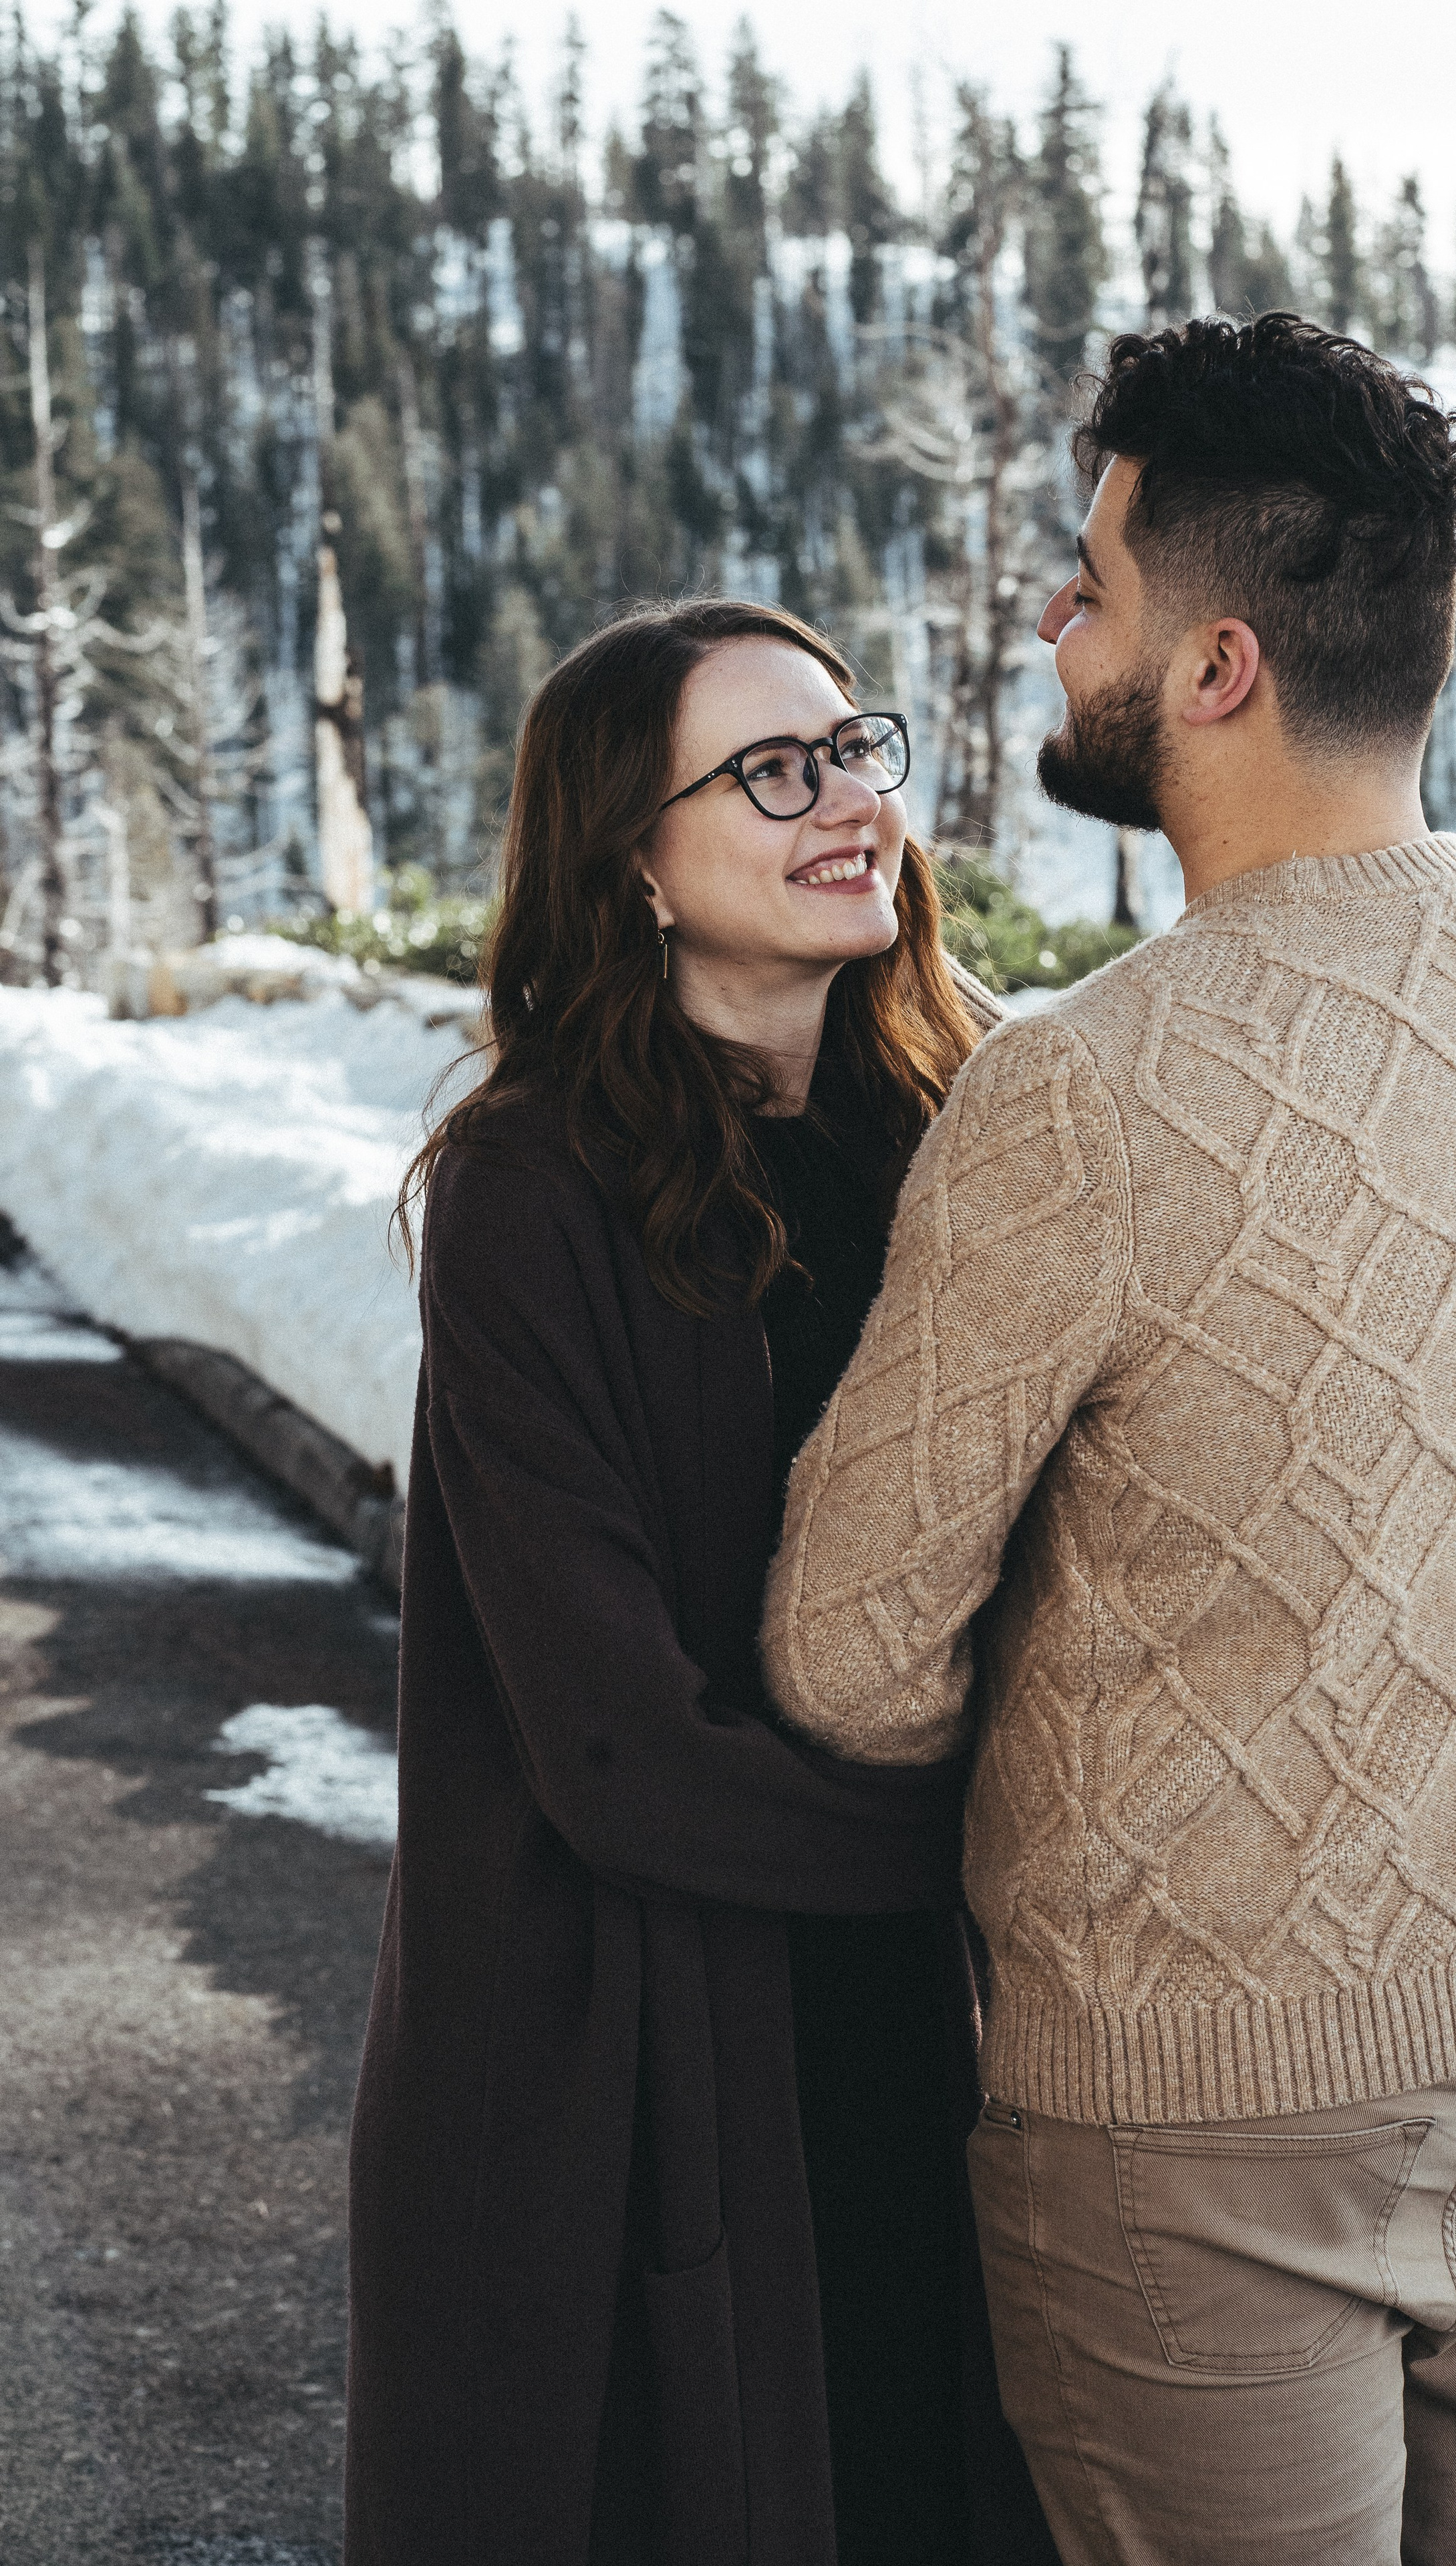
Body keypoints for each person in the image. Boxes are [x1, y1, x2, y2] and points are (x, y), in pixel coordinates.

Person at [762, 315, 1456, 2566]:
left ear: (1220, 665)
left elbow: (845, 1656)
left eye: (1091, 584)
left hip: (1194, 2101)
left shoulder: (1083, 1093)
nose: (1050, 621)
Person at [343, 598, 1057, 2566]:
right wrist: (1000, 1838)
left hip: (917, 2013)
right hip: (632, 2034)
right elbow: (612, 1744)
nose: (845, 803)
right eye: (768, 771)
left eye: (853, 749)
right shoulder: (534, 1188)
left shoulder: (966, 1133)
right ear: (634, 864)